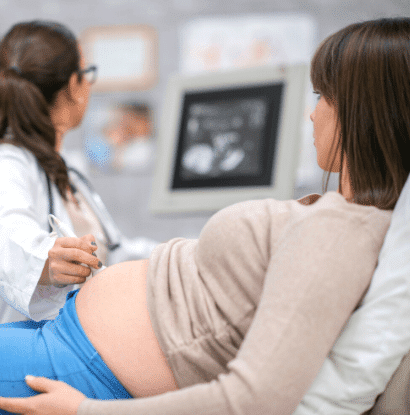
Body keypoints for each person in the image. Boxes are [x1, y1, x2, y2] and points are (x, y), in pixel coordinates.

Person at [1, 16, 410, 415]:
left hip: (82, 362)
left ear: (362, 112)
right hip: (67, 333)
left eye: (322, 97)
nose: (311, 113)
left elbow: (254, 399)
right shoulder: (337, 217)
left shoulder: (342, 233)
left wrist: (83, 410)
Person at [0, 20, 157, 324]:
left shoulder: (64, 166)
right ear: (75, 85)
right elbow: (7, 233)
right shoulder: (9, 162)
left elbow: (112, 252)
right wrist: (47, 261)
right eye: (88, 74)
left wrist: (181, 256)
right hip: (37, 346)